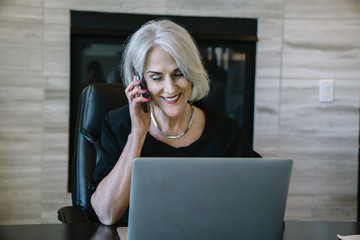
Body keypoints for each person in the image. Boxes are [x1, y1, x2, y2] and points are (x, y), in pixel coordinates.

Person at [89, 19, 261, 226]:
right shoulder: (119, 125)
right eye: (156, 77)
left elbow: (258, 201)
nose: (170, 89)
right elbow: (106, 214)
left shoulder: (225, 130)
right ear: (140, 80)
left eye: (179, 74)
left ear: (192, 72)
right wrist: (137, 133)